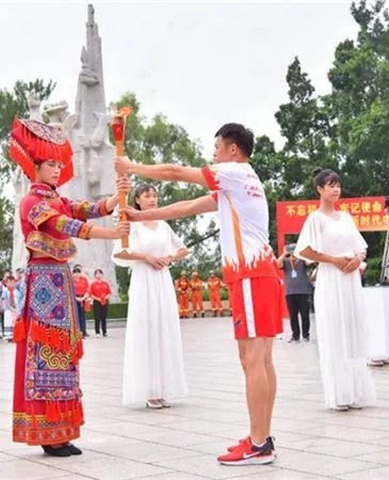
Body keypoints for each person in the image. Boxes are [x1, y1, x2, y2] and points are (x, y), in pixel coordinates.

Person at [115, 123, 281, 465]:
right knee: (259, 359)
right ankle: (258, 436)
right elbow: (186, 207)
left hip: (251, 274)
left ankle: (260, 442)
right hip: (255, 274)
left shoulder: (233, 172)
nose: (213, 154)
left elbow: (175, 172)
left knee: (254, 359)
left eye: (217, 146)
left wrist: (132, 167)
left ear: (232, 149)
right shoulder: (238, 182)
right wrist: (141, 214)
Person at [8, 117, 130, 457]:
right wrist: (111, 234)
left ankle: (61, 432)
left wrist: (118, 198)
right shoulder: (32, 203)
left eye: (58, 163)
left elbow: (88, 209)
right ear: (36, 167)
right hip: (44, 282)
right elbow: (66, 224)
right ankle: (47, 433)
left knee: (63, 356)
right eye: (50, 163)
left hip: (60, 280)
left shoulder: (58, 197)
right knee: (46, 354)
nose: (56, 168)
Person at [295, 168, 376, 411]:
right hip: (331, 278)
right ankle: (340, 395)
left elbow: (361, 246)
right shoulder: (315, 219)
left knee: (352, 331)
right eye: (330, 185)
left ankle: (357, 392)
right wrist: (334, 260)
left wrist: (356, 258)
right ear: (319, 189)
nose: (336, 189)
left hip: (350, 278)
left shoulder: (346, 217)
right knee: (335, 332)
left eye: (338, 184)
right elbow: (306, 251)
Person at [113, 183, 189, 409]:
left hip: (162, 279)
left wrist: (169, 258)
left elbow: (182, 249)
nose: (152, 199)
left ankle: (164, 388)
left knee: (164, 329)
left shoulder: (164, 225)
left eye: (155, 195)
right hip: (143, 278)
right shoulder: (131, 225)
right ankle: (149, 390)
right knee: (146, 329)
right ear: (137, 200)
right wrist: (146, 257)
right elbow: (119, 252)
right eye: (147, 196)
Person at [277, 244, 312, 343]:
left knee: (304, 314)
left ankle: (306, 335)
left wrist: (303, 253)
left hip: (303, 291)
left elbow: (310, 262)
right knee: (293, 315)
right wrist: (284, 253)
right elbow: (277, 264)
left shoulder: (302, 261)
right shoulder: (286, 262)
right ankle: (295, 335)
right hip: (290, 292)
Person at [88, 269, 112, 337]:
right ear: (95, 275)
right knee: (97, 317)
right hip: (97, 302)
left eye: (100, 273)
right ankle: (97, 332)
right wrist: (98, 298)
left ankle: (104, 331)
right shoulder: (93, 284)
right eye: (97, 274)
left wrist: (105, 297)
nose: (98, 275)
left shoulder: (105, 283)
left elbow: (109, 292)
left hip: (104, 301)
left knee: (104, 317)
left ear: (102, 275)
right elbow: (91, 294)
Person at [72, 266, 90, 338]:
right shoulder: (71, 280)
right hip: (74, 299)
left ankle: (83, 332)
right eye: (75, 273)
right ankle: (77, 332)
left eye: (78, 272)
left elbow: (88, 289)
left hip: (83, 299)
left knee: (82, 316)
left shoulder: (84, 279)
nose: (76, 274)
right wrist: (76, 298)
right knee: (75, 316)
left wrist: (83, 298)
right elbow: (69, 291)